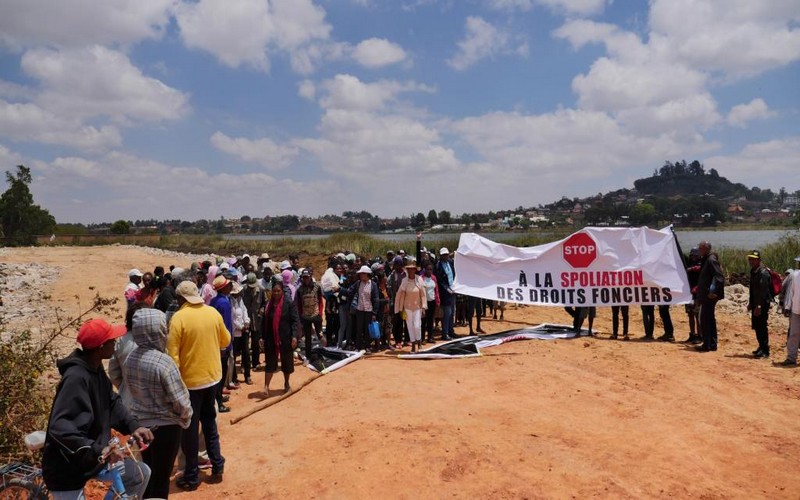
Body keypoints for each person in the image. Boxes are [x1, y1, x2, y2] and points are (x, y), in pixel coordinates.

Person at [42, 318, 154, 500]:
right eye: (112, 340)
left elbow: (112, 403)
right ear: (101, 347)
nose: (115, 343)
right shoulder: (76, 378)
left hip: (93, 459)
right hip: (68, 468)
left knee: (139, 474)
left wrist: (134, 426)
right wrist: (99, 450)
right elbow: (61, 429)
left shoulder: (95, 368)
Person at [123, 308, 192, 499]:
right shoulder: (164, 363)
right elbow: (180, 401)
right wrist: (185, 419)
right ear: (157, 331)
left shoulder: (131, 358)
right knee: (162, 478)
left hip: (140, 426)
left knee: (148, 473)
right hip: (166, 427)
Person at [167, 281, 231, 491]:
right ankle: (217, 465)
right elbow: (226, 340)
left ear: (180, 299)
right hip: (212, 378)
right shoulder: (212, 312)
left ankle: (192, 476)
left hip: (190, 383)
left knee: (190, 430)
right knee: (210, 423)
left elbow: (172, 356)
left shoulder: (179, 318)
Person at [263, 282, 301, 393]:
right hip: (271, 338)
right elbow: (264, 322)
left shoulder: (289, 303)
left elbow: (295, 321)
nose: (276, 293)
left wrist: (294, 336)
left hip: (285, 337)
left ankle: (286, 383)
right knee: (270, 362)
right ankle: (266, 386)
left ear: (282, 291)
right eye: (274, 291)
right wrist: (262, 337)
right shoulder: (268, 305)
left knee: (286, 362)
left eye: (278, 291)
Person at [695, 241, 724, 352]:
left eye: (700, 248)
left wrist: (713, 291)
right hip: (705, 295)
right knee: (709, 319)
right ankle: (712, 343)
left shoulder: (711, 260)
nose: (699, 250)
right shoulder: (706, 259)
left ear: (706, 249)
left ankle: (707, 344)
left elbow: (719, 276)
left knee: (705, 319)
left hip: (709, 296)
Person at [394, 260, 427, 353]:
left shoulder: (419, 279)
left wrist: (424, 307)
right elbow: (400, 294)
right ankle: (413, 344)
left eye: (412, 269)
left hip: (417, 307)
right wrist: (400, 309)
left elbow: (423, 294)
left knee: (417, 325)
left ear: (415, 270)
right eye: (408, 269)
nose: (410, 271)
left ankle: (419, 342)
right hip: (407, 307)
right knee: (409, 326)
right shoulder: (405, 281)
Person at [746, 250, 772, 358]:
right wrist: (751, 303)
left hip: (762, 304)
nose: (751, 261)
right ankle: (761, 346)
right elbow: (753, 290)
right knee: (756, 326)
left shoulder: (763, 272)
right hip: (756, 303)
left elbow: (764, 291)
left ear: (759, 260)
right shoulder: (753, 271)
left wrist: (759, 306)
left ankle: (765, 350)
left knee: (761, 326)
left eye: (753, 259)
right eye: (750, 259)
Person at [295, 269, 325, 359]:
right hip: (305, 317)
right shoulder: (300, 289)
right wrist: (300, 316)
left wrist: (320, 312)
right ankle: (308, 356)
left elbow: (320, 301)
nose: (305, 279)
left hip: (316, 315)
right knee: (308, 338)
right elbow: (299, 304)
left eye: (307, 277)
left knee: (320, 334)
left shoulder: (317, 287)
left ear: (310, 277)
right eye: (304, 278)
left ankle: (324, 351)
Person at [352, 265, 379, 351]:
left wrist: (374, 313)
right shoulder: (358, 283)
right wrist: (341, 289)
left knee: (367, 329)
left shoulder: (373, 285)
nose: (360, 275)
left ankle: (367, 346)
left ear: (367, 274)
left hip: (369, 310)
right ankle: (358, 347)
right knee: (359, 329)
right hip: (359, 310)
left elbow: (376, 299)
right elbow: (350, 290)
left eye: (362, 273)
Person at [779, 261, 800, 367]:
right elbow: (790, 292)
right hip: (796, 309)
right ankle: (791, 358)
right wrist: (787, 306)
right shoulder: (795, 275)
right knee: (793, 334)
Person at [436, 248, 456, 340]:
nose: (445, 256)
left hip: (453, 291)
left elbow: (454, 275)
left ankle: (451, 331)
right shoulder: (438, 266)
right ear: (440, 256)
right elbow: (440, 281)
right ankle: (445, 333)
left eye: (446, 254)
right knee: (447, 313)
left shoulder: (450, 263)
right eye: (443, 255)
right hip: (445, 293)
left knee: (452, 312)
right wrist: (447, 289)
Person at [684, 248, 702, 343]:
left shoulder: (701, 264)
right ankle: (692, 334)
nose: (693, 257)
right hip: (689, 294)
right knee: (690, 314)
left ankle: (700, 335)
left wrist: (691, 269)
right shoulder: (688, 263)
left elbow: (702, 276)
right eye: (692, 255)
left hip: (697, 295)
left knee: (697, 315)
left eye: (695, 255)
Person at [420, 263, 440, 343]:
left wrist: (438, 301)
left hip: (432, 301)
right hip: (424, 302)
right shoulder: (421, 278)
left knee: (431, 320)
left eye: (431, 269)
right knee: (423, 320)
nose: (429, 271)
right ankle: (422, 338)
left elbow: (436, 290)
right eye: (428, 269)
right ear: (425, 269)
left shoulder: (434, 278)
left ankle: (430, 337)